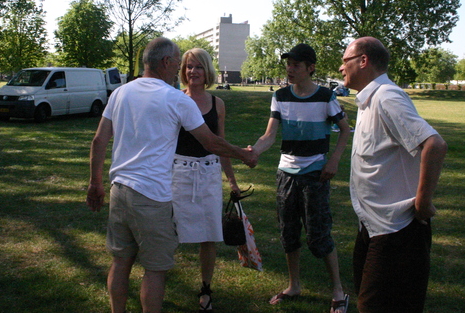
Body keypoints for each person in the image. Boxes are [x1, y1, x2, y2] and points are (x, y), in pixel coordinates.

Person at [86, 37, 257, 313]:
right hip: (151, 197)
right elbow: (211, 143)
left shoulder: (120, 93)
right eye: (179, 61)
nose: (181, 67)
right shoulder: (176, 99)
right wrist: (245, 154)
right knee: (155, 270)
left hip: (119, 191)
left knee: (120, 262)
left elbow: (98, 141)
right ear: (166, 62)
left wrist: (96, 184)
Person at [339, 37, 448, 312]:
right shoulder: (368, 101)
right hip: (374, 227)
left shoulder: (387, 97)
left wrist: (422, 204)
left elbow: (434, 144)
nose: (341, 68)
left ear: (363, 61)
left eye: (345, 61)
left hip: (397, 231)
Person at [251, 43, 351, 313]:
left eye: (296, 65)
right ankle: (294, 285)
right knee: (289, 233)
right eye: (288, 64)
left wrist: (333, 160)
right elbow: (270, 134)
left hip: (315, 174)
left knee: (319, 235)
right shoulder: (280, 96)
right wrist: (254, 151)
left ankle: (338, 291)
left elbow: (344, 130)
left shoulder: (326, 97)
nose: (290, 69)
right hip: (286, 173)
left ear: (311, 67)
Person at [171, 48, 240, 312]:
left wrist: (232, 181)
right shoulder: (175, 100)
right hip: (179, 174)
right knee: (168, 231)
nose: (192, 72)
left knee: (209, 236)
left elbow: (219, 145)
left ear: (207, 70)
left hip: (209, 174)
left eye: (198, 67)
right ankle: (157, 279)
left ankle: (206, 288)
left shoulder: (217, 104)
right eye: (188, 67)